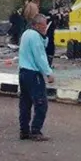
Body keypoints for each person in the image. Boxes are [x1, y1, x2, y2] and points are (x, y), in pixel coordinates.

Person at [18, 13, 55, 141]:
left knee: (25, 103)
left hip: (23, 72)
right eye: (44, 26)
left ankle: (24, 131)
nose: (45, 28)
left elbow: (43, 45)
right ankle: (35, 131)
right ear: (37, 25)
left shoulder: (26, 34)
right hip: (33, 73)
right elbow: (40, 57)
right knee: (41, 103)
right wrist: (48, 73)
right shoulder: (34, 37)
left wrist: (44, 36)